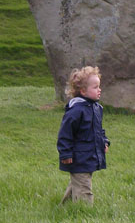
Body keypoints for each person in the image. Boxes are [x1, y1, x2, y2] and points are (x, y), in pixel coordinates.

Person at [57, 66, 110, 205]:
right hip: (78, 157)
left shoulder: (96, 108)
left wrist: (104, 141)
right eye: (95, 87)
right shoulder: (76, 111)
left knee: (79, 183)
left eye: (99, 86)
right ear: (83, 91)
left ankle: (66, 207)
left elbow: (98, 129)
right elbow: (65, 134)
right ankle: (85, 212)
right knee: (84, 187)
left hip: (89, 156)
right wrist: (66, 154)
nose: (100, 90)